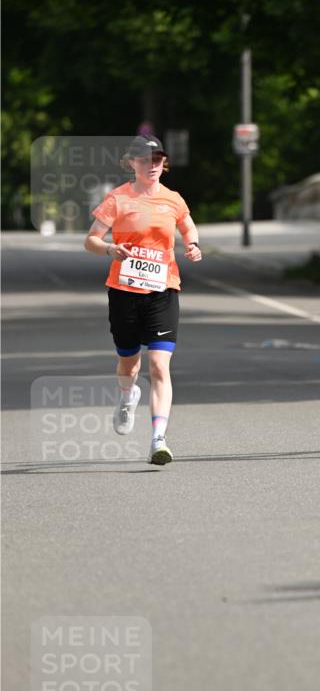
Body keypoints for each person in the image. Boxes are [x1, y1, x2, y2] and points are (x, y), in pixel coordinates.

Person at [84, 134, 202, 465]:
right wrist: (109, 249)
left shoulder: (173, 199)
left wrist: (192, 245)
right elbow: (90, 240)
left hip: (164, 289)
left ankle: (158, 439)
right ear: (131, 163)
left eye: (157, 160)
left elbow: (188, 227)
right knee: (129, 362)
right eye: (144, 160)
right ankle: (126, 396)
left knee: (158, 365)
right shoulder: (117, 199)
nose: (151, 165)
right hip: (124, 291)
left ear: (164, 164)